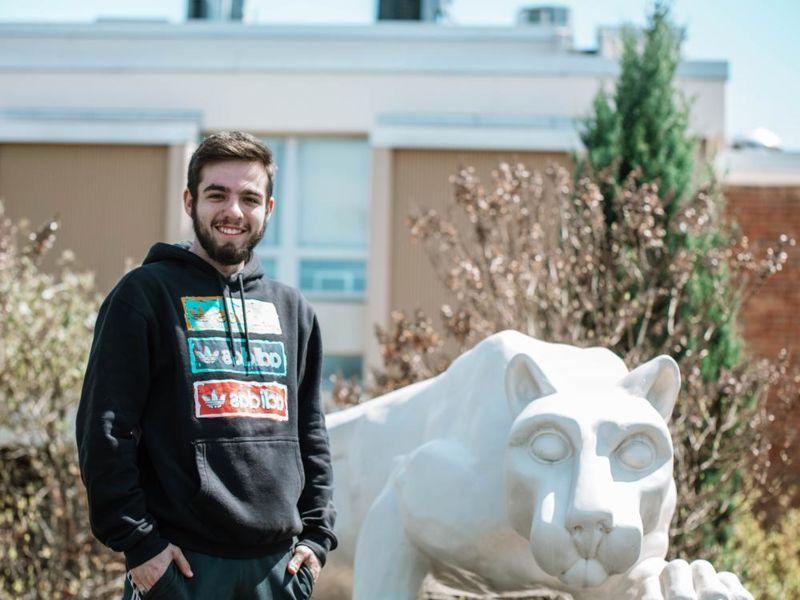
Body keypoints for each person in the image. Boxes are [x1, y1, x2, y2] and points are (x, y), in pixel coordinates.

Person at [76, 131, 336, 599]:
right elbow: (106, 429)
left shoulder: (293, 310)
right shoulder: (144, 296)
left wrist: (317, 539)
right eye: (217, 195)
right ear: (190, 201)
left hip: (278, 569)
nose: (233, 211)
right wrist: (140, 545)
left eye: (249, 198)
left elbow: (311, 435)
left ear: (268, 210)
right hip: (182, 568)